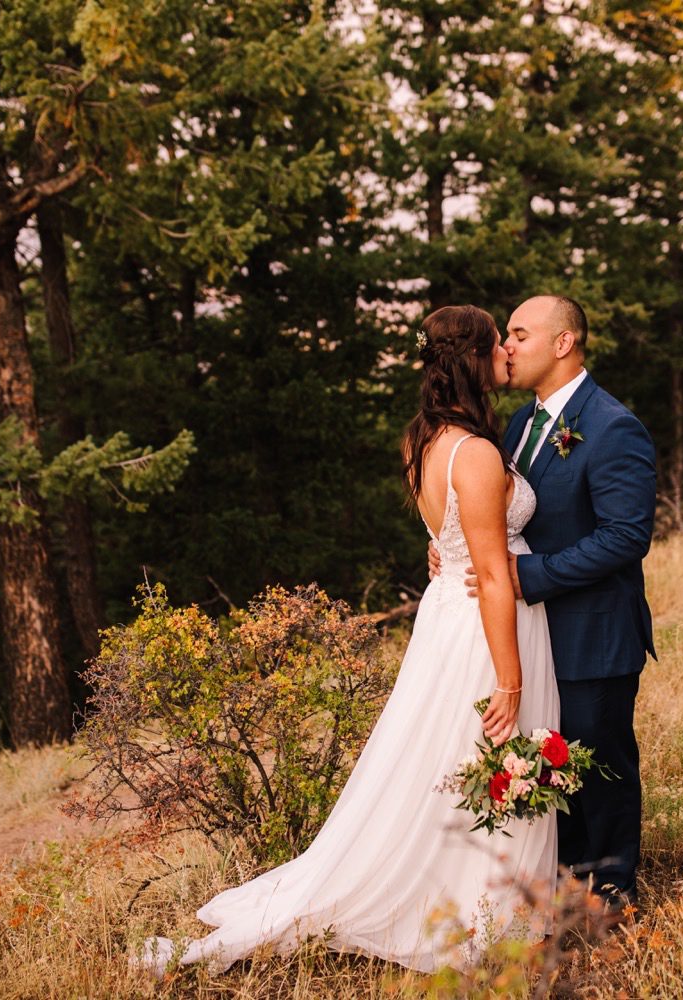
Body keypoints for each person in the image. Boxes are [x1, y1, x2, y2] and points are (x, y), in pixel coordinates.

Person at [135, 304, 560, 975]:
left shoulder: (423, 440)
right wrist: (510, 678)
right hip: (483, 629)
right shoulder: (474, 452)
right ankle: (480, 906)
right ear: (473, 360)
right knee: (489, 753)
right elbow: (489, 572)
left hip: (447, 617)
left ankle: (491, 895)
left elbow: (448, 538)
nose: (507, 353)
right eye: (496, 345)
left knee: (449, 765)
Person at [431, 294, 656, 907]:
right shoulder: (519, 424)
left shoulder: (613, 426)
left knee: (599, 766)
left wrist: (528, 575)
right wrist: (458, 551)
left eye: (519, 335)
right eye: (504, 336)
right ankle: (561, 890)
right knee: (553, 770)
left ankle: (612, 892)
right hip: (531, 632)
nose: (506, 346)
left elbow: (626, 536)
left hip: (592, 631)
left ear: (563, 343)